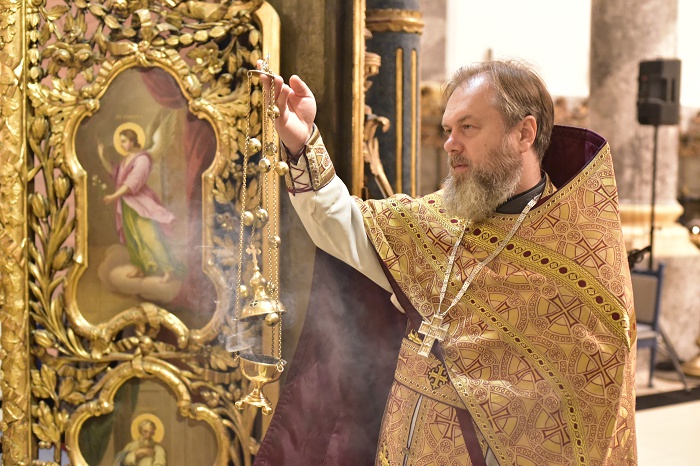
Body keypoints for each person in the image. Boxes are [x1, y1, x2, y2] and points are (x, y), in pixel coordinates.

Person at [254, 60, 637, 465]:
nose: (450, 144)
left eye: (468, 127)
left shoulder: (577, 250)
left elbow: (589, 401)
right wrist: (301, 143)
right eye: (448, 130)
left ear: (524, 133)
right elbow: (343, 226)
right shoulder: (438, 220)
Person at [99, 128, 184, 283]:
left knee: (150, 236)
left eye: (123, 141)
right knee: (133, 238)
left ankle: (168, 270)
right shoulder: (126, 160)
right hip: (126, 204)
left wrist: (113, 196)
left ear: (132, 141)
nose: (121, 144)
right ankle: (141, 268)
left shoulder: (142, 159)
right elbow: (115, 174)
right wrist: (102, 156)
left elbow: (133, 181)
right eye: (120, 141)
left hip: (140, 204)